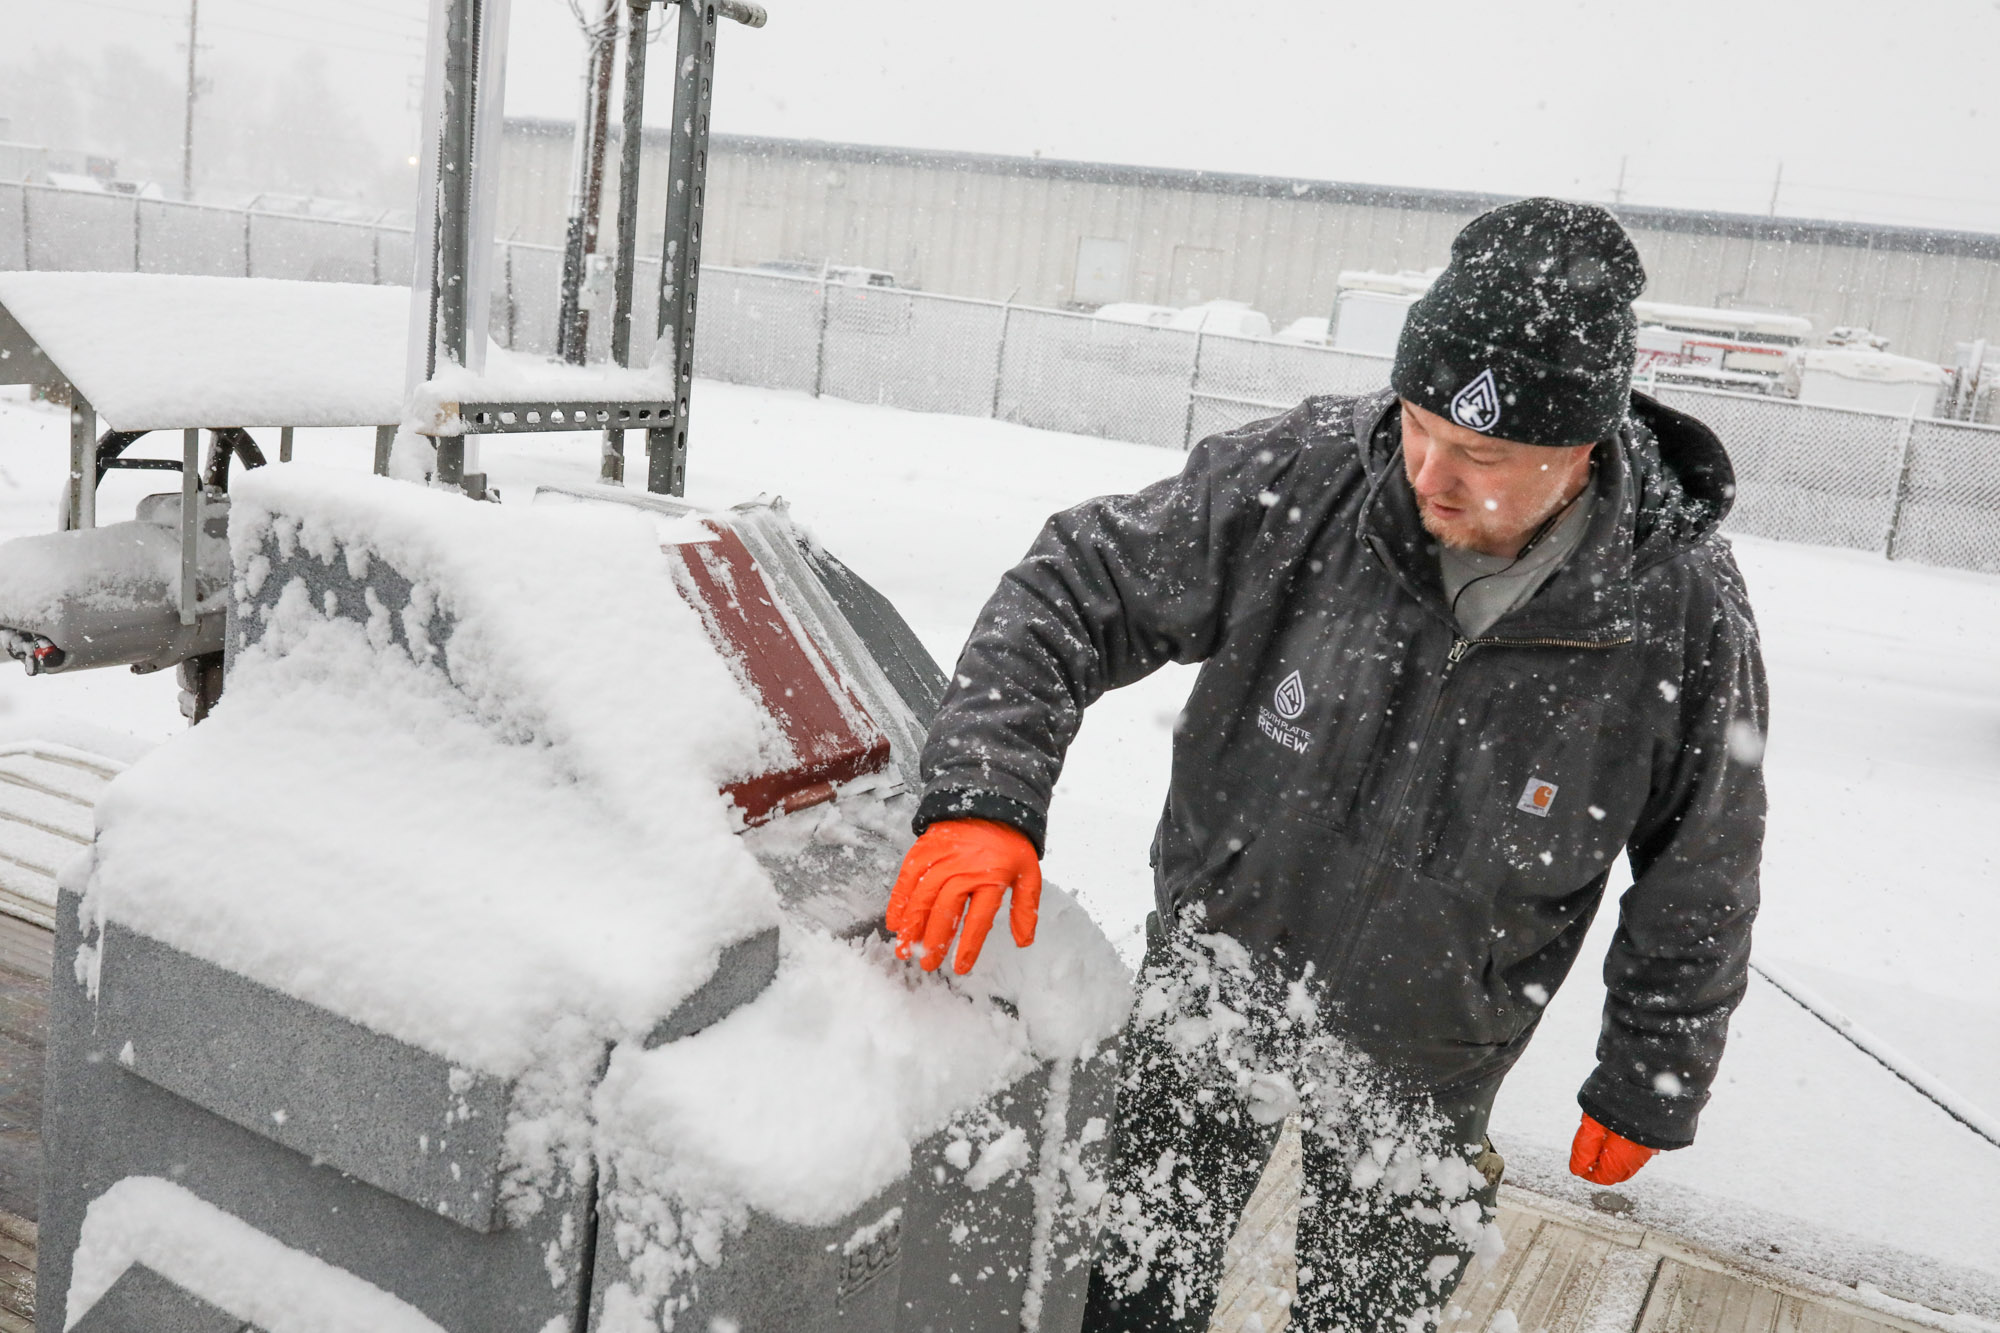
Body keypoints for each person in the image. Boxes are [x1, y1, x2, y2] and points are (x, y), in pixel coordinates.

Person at [884, 197, 1766, 1331]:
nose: (1430, 474)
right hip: (1215, 986)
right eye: (1417, 425)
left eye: (1482, 455)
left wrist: (1654, 1065)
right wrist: (981, 802)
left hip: (1437, 1045)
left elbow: (1706, 848)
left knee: (1365, 1314)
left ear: (1579, 448)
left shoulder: (1674, 601)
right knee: (1129, 1288)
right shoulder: (1302, 478)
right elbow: (1071, 587)